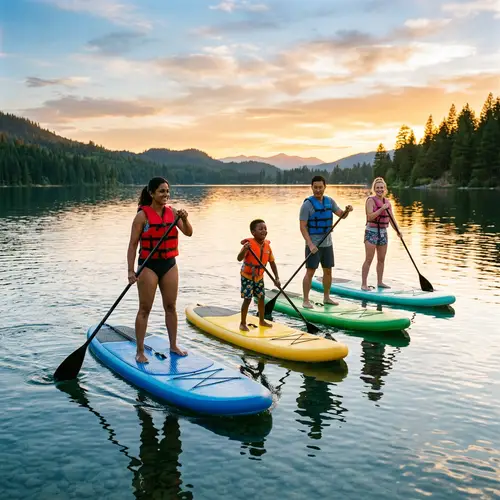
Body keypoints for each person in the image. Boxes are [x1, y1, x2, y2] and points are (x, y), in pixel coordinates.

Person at [127, 177, 193, 363]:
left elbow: (188, 232)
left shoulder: (173, 213)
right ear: (152, 193)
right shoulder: (142, 216)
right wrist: (131, 271)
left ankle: (173, 345)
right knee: (144, 309)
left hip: (169, 264)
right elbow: (132, 245)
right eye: (162, 191)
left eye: (167, 191)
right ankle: (140, 351)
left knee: (171, 307)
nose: (166, 195)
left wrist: (185, 219)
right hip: (148, 265)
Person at [300, 175, 353, 309]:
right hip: (314, 245)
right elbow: (302, 227)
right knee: (310, 272)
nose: (318, 190)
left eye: (320, 187)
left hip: (327, 243)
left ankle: (327, 297)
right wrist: (310, 244)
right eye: (315, 187)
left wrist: (347, 211)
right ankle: (305, 300)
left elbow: (342, 215)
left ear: (325, 187)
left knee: (328, 271)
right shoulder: (307, 205)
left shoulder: (330, 201)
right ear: (311, 187)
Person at [237, 219, 280, 331]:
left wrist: (277, 278)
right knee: (248, 299)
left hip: (259, 277)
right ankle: (242, 323)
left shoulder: (267, 246)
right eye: (260, 229)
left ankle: (261, 320)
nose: (264, 231)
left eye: (265, 229)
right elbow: (239, 258)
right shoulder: (249, 245)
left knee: (261, 298)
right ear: (253, 232)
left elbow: (272, 263)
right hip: (247, 276)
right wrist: (244, 250)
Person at [361, 176, 402, 291]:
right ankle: (364, 284)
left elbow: (391, 219)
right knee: (369, 259)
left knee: (381, 259)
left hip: (383, 233)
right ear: (374, 188)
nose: (380, 189)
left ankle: (380, 282)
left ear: (385, 189)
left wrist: (398, 231)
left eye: (382, 188)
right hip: (371, 232)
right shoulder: (370, 200)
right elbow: (370, 216)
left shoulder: (388, 202)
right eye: (377, 187)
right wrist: (381, 209)